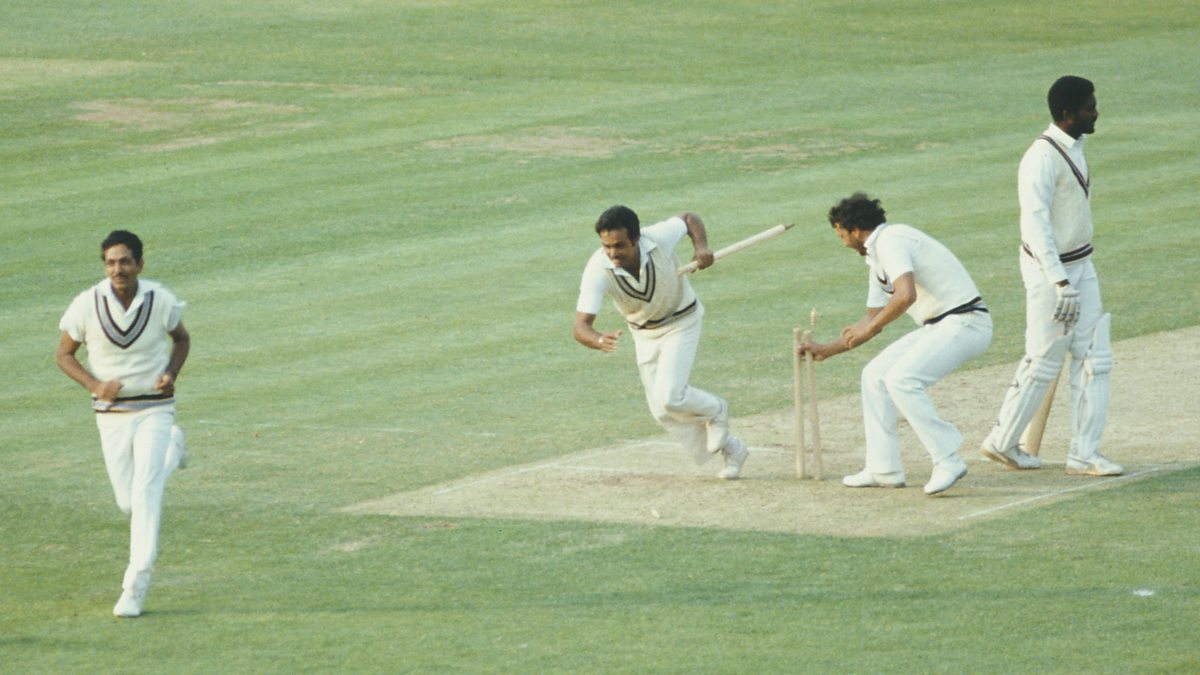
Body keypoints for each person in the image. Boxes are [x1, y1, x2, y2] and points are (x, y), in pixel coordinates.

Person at [800, 193, 992, 495]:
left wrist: (868, 328)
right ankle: (883, 469)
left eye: (840, 235)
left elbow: (905, 296)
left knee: (902, 379)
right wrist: (826, 350)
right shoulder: (875, 256)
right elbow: (872, 319)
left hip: (967, 322)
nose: (842, 242)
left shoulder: (891, 240)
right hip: (937, 326)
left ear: (853, 229)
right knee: (874, 376)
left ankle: (947, 459)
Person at [980, 75, 1122, 476]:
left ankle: (1084, 453)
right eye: (1089, 107)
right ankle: (1002, 441)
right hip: (1049, 272)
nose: (1096, 112)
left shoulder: (1075, 146)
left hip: (1082, 264)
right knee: (1044, 359)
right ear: (1066, 113)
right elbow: (1035, 224)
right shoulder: (1041, 157)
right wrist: (1059, 281)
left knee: (1094, 357)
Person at [55, 230, 191, 618]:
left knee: (146, 490)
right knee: (128, 501)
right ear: (104, 266)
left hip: (155, 409)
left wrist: (171, 373)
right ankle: (174, 449)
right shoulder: (86, 305)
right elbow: (63, 355)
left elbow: (181, 339)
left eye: (126, 262)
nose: (119, 269)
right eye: (111, 263)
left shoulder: (160, 299)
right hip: (111, 413)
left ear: (140, 264)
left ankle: (135, 586)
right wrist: (95, 385)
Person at [574, 205, 748, 479]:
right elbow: (580, 326)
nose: (612, 253)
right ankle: (733, 449)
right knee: (663, 411)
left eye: (619, 245)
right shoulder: (598, 267)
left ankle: (716, 409)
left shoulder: (657, 238)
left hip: (682, 321)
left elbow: (689, 218)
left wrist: (701, 247)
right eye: (606, 246)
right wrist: (598, 339)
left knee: (670, 396)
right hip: (644, 334)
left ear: (636, 238)